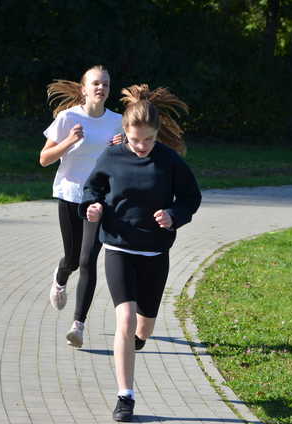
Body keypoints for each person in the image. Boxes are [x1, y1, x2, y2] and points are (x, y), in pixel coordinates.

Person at [79, 84, 201, 422]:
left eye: (148, 139)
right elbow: (93, 188)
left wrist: (174, 216)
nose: (141, 146)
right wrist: (92, 207)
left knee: (143, 327)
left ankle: (138, 341)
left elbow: (191, 198)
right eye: (135, 140)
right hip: (118, 246)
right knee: (126, 318)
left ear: (157, 134)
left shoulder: (170, 161)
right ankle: (125, 396)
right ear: (125, 133)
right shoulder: (113, 154)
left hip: (154, 253)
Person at [39, 65, 123, 348]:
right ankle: (61, 278)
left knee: (88, 260)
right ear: (84, 89)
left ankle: (78, 325)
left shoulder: (117, 121)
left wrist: (122, 146)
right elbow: (45, 158)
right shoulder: (68, 117)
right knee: (73, 259)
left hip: (99, 199)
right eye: (96, 83)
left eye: (106, 85)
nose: (101, 88)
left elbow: (130, 155)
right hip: (69, 193)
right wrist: (70, 141)